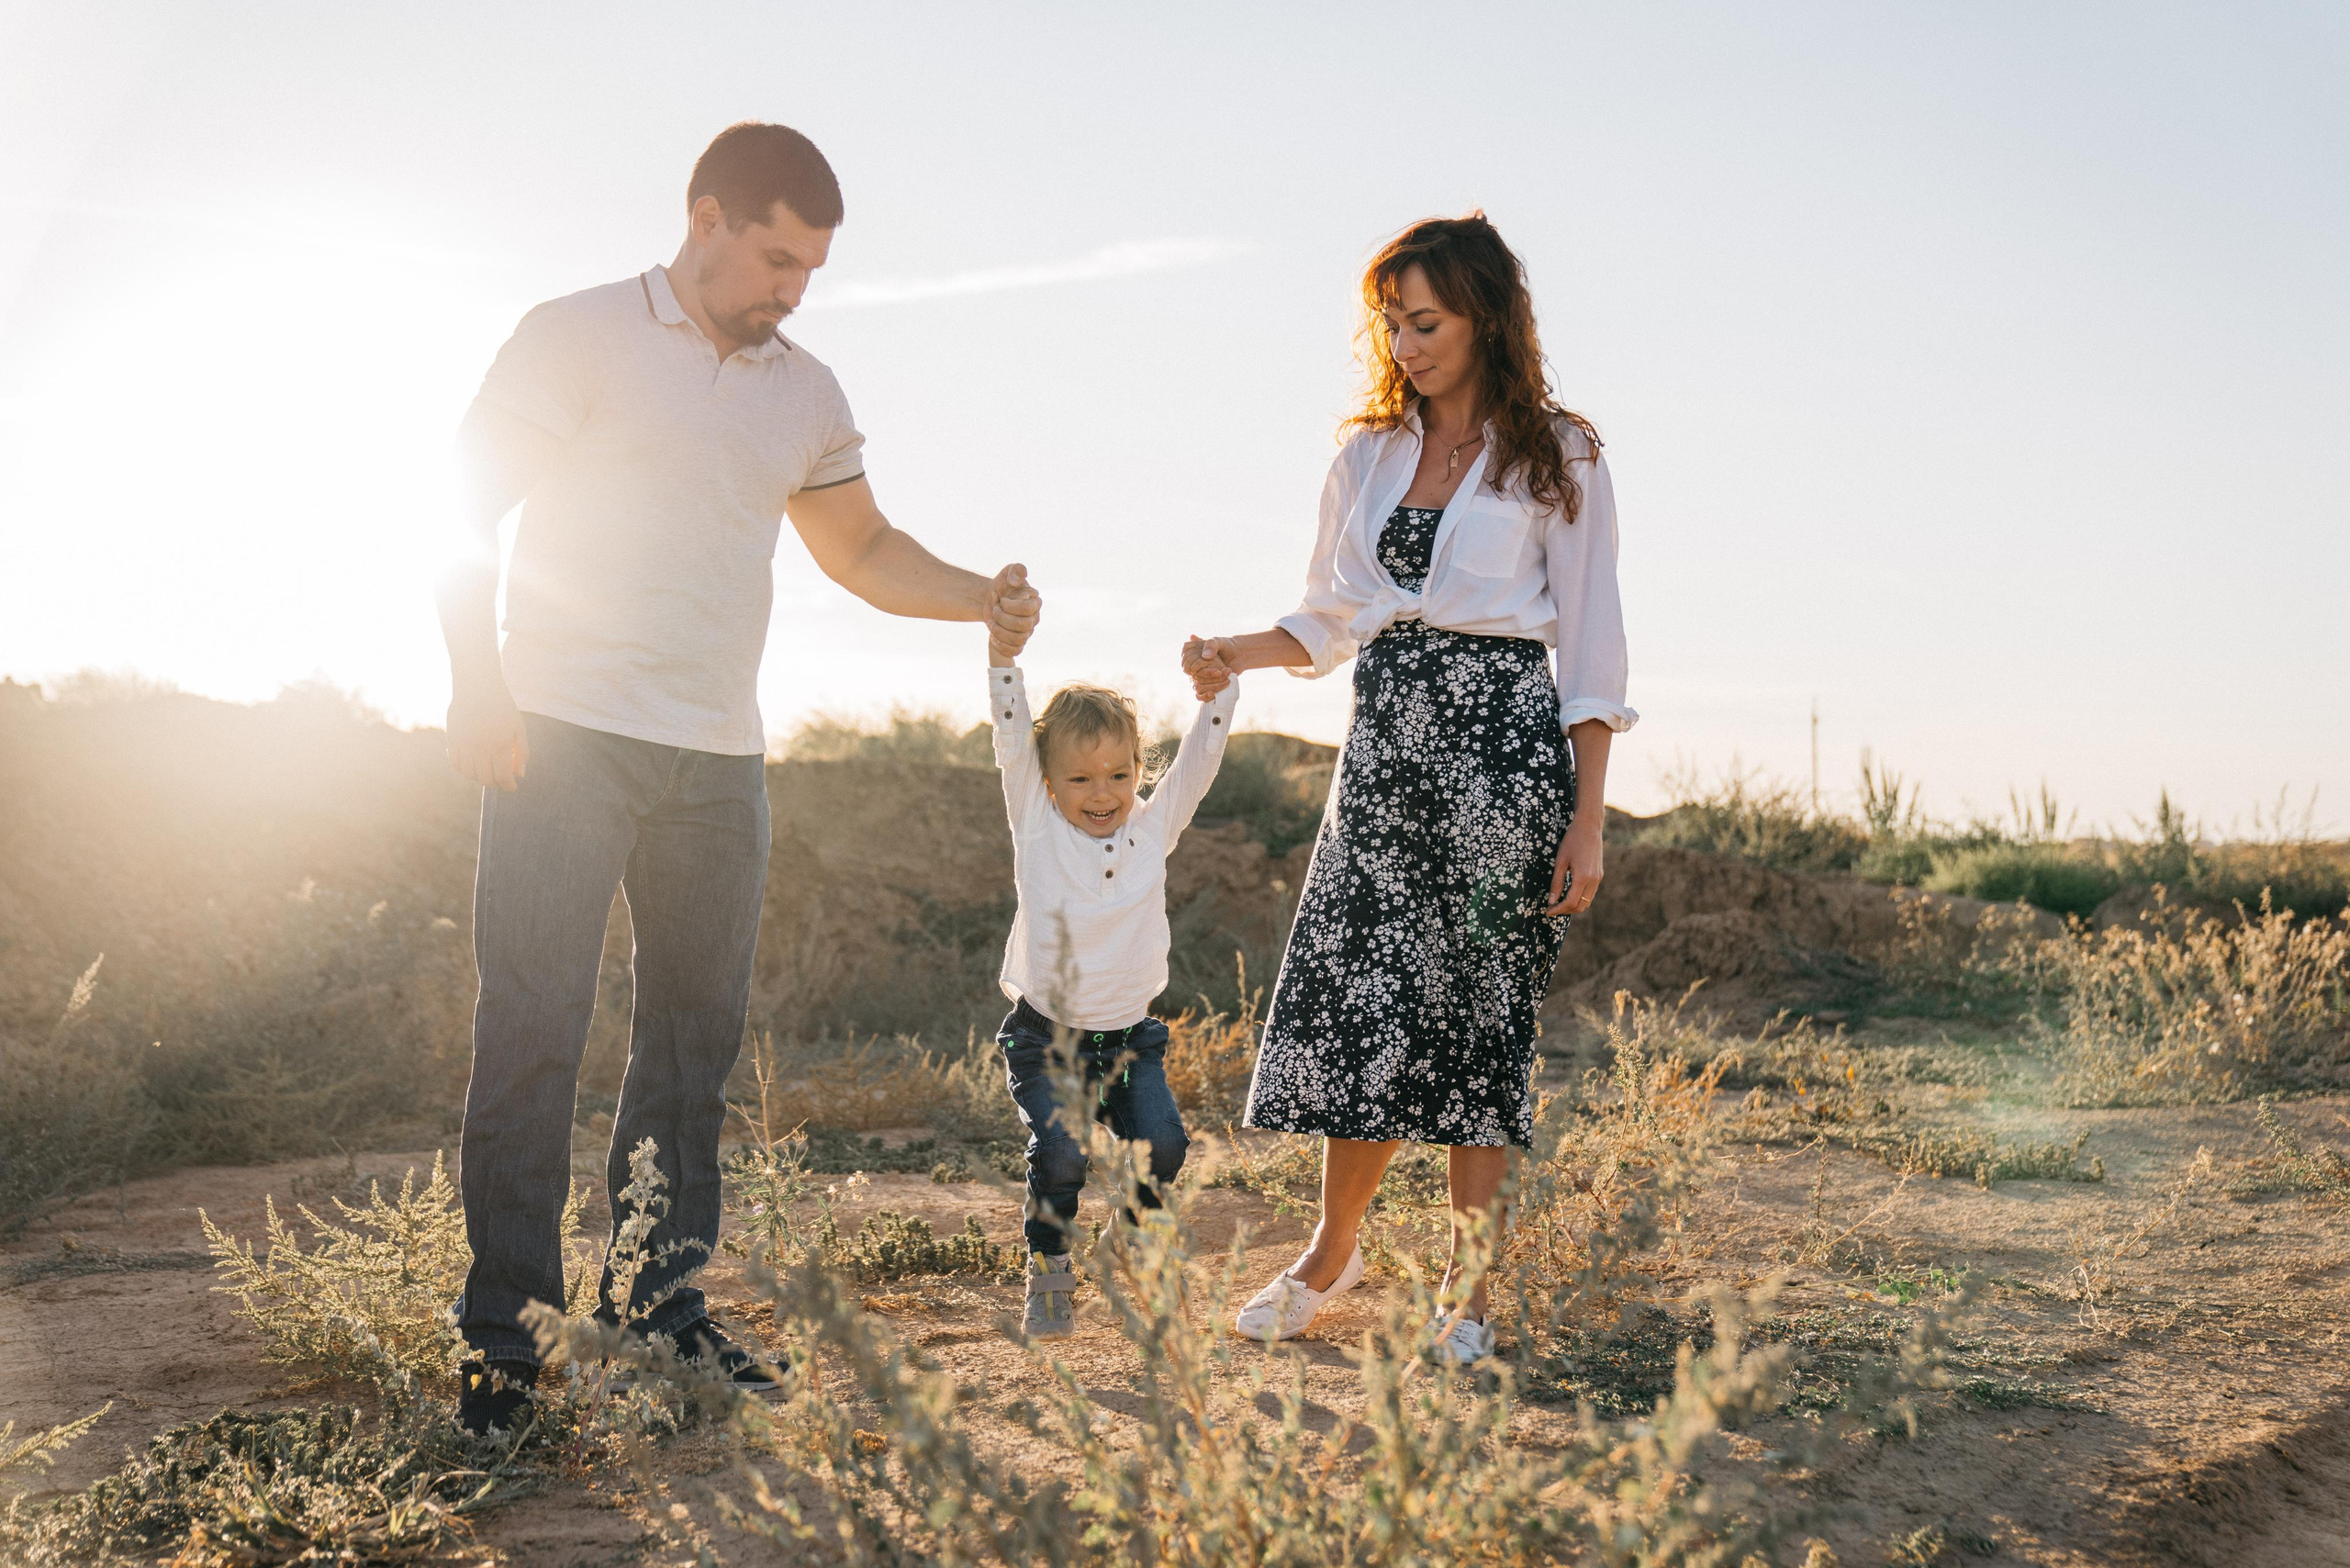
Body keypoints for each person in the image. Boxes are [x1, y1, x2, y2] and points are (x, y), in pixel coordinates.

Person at [435, 122, 1041, 1437]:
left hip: (717, 757)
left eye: (811, 269)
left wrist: (977, 599)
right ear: (705, 218)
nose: (792, 289)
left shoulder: (804, 392)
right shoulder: (576, 334)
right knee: (534, 1029)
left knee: (690, 1046)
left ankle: (656, 1314)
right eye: (776, 259)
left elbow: (861, 547)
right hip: (560, 731)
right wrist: (476, 680)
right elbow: (463, 507)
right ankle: (507, 1348)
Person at [1185, 212, 1635, 1366]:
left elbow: (1591, 652)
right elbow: (1328, 617)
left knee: (1479, 1021)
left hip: (1502, 767)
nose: (1406, 344)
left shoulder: (1559, 455)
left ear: (1485, 317)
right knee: (1363, 1009)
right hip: (1383, 765)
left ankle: (1466, 1294)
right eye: (1392, 323)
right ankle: (1327, 1255)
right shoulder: (1368, 457)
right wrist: (1234, 651)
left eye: (1426, 321)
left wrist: (1586, 819)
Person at [987, 629, 1237, 1338]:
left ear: (1136, 772)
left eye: (1119, 775)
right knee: (1062, 1156)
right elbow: (1012, 738)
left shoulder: (1152, 830)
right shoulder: (1037, 827)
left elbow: (1198, 763)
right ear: (1046, 782)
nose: (1103, 794)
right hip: (1048, 1044)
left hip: (1130, 1041)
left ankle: (1128, 1237)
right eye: (1081, 779)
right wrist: (1003, 661)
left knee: (1165, 1146)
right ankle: (1050, 1274)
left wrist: (1218, 695)